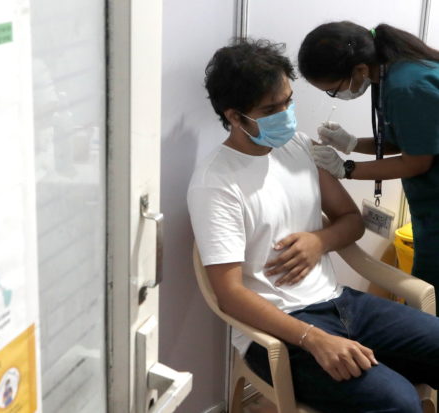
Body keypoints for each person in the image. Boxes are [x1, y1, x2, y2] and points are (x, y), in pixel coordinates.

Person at [188, 38, 439, 413]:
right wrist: (313, 338)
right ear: (236, 116)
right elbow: (229, 293)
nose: (286, 114)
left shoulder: (298, 147)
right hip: (278, 330)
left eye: (289, 101)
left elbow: (351, 221)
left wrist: (319, 241)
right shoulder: (216, 182)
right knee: (398, 402)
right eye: (271, 109)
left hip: (340, 302)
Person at [298, 21, 439, 297]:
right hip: (430, 206)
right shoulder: (387, 74)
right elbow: (408, 139)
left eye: (333, 90)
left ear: (360, 69)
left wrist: (346, 168)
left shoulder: (405, 85)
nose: (335, 95)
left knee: (429, 298)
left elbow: (417, 161)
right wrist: (351, 144)